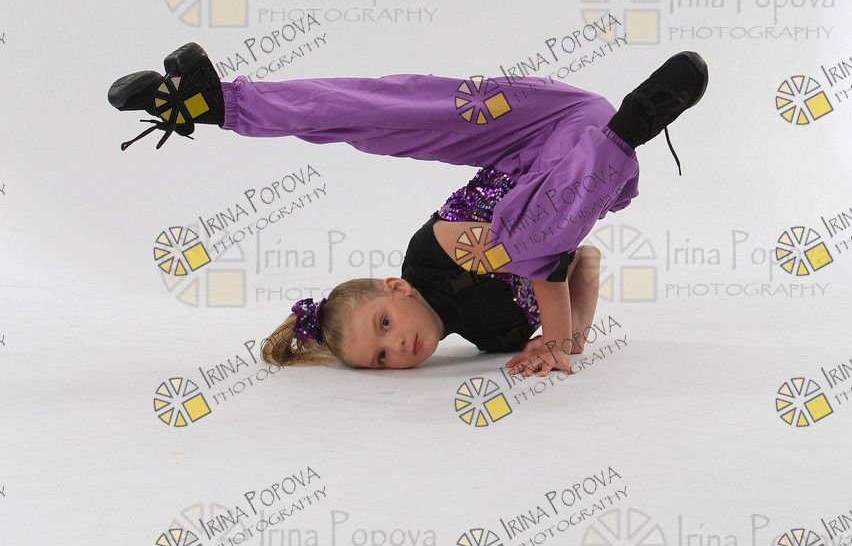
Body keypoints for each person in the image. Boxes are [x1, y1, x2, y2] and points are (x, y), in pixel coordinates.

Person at [107, 44, 708, 379]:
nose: (399, 347)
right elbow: (582, 264)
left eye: (384, 326)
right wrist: (567, 342)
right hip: (585, 156)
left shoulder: (430, 258)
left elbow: (540, 258)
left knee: (391, 110)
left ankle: (224, 103)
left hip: (538, 121)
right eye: (382, 358)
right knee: (545, 246)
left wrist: (549, 335)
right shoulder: (494, 337)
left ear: (395, 287)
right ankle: (206, 104)